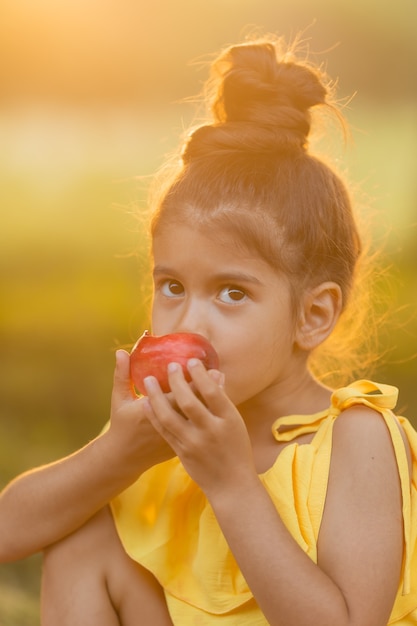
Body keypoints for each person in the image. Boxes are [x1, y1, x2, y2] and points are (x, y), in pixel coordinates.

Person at [1, 34, 417, 626]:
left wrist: (231, 483)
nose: (190, 321)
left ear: (313, 315)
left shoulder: (358, 439)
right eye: (172, 286)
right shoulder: (172, 430)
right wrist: (115, 456)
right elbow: (8, 533)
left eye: (232, 293)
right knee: (80, 535)